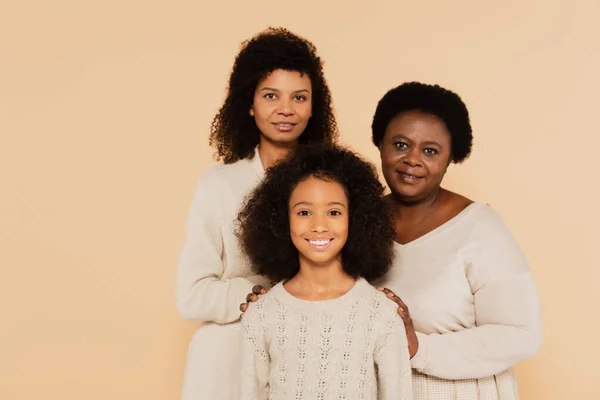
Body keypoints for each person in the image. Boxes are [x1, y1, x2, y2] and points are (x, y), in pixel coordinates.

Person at [176, 27, 337, 400]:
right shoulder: (218, 186)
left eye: (300, 97)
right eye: (270, 96)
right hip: (226, 362)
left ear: (314, 107)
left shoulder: (334, 185)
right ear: (249, 104)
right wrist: (257, 295)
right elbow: (191, 295)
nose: (286, 109)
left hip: (308, 358)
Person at [371, 81, 543, 399]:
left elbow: (521, 334)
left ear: (452, 158)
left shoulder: (480, 228)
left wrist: (418, 347)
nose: (412, 159)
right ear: (380, 144)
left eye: (430, 151)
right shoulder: (356, 222)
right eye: (400, 145)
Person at [236, 144, 413, 399]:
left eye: (334, 212)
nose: (319, 226)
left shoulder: (381, 314)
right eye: (304, 212)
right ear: (282, 220)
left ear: (355, 219)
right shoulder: (262, 317)